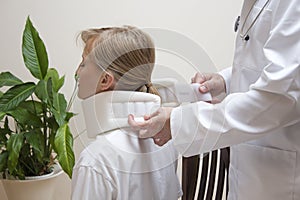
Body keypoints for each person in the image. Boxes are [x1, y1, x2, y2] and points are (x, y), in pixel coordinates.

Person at [128, 0, 300, 199]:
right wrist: (227, 80)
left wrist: (179, 122)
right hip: (252, 173)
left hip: (283, 177)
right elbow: (271, 64)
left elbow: (281, 96)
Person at [71, 26, 182, 200]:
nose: (77, 72)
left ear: (105, 80)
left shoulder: (95, 161)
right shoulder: (165, 140)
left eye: (83, 63)